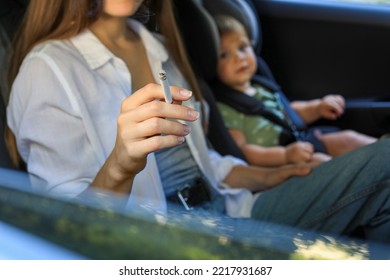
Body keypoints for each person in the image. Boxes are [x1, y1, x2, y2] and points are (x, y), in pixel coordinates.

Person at [5, 0, 390, 244]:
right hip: (159, 249)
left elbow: (206, 164)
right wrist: (121, 165)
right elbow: (61, 230)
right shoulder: (47, 70)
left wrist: (273, 174)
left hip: (233, 212)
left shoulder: (154, 43)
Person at [211, 15, 377, 167]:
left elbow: (289, 113)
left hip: (299, 143)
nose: (239, 57)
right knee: (324, 163)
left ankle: (383, 153)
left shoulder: (260, 85)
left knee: (347, 139)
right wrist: (285, 156)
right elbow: (243, 151)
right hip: (279, 163)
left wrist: (318, 107)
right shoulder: (225, 107)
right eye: (224, 55)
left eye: (242, 47)